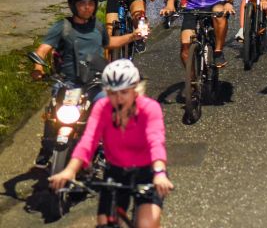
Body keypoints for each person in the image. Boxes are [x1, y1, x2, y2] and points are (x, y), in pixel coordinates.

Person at [30, 0, 143, 168]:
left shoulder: (97, 27)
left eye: (91, 4)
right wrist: (38, 67)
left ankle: (103, 147)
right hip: (67, 83)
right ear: (73, 5)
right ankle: (47, 146)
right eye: (82, 3)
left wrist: (132, 36)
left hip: (94, 82)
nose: (87, 7)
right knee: (54, 112)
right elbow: (42, 50)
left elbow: (109, 42)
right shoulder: (63, 27)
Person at [49, 60, 174, 227]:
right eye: (112, 93)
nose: (118, 98)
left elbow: (155, 141)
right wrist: (70, 170)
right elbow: (89, 140)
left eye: (124, 92)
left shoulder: (150, 108)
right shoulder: (103, 107)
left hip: (148, 171)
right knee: (105, 223)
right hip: (115, 171)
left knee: (146, 224)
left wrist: (159, 173)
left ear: (135, 90)